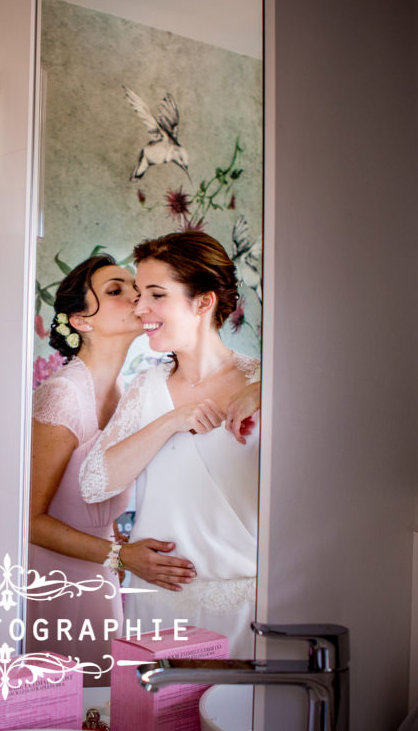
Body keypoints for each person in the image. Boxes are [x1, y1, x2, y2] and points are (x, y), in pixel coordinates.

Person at [79, 230, 261, 656]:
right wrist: (171, 421)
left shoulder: (266, 382)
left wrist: (272, 387)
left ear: (203, 301)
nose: (140, 308)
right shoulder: (146, 387)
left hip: (245, 614)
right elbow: (93, 483)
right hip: (159, 610)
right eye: (140, 294)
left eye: (156, 295)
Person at [26, 254, 196, 675]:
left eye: (133, 288)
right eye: (115, 291)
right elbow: (26, 519)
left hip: (100, 573)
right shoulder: (62, 395)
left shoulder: (127, 393)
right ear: (81, 321)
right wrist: (121, 557)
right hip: (52, 579)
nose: (135, 297)